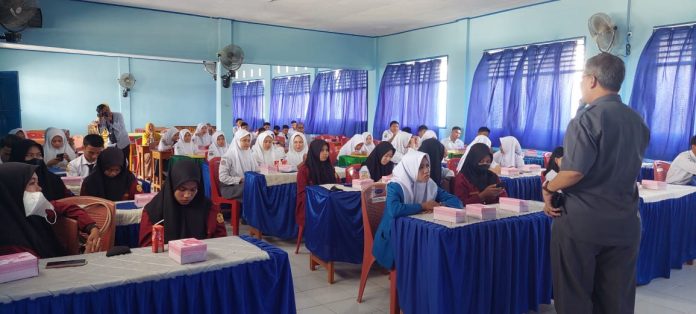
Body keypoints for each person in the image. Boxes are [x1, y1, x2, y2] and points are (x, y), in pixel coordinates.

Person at [542, 53, 650, 314]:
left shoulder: (586, 120)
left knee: (574, 295)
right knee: (617, 298)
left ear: (591, 80)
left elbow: (574, 172)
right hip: (625, 222)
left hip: (583, 224)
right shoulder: (637, 121)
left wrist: (548, 188)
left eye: (581, 79)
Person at [372, 151, 462, 268]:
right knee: (426, 253)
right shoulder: (396, 185)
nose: (426, 170)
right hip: (394, 235)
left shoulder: (429, 184)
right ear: (411, 168)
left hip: (416, 232)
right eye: (421, 167)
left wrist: (439, 205)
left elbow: (457, 202)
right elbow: (394, 210)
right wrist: (423, 206)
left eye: (427, 165)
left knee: (441, 250)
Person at [0, 162, 101, 258]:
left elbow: (67, 207)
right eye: (32, 183)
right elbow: (39, 272)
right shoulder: (10, 244)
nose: (39, 188)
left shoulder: (32, 210)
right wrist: (87, 257)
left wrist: (92, 227)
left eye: (37, 182)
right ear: (13, 189)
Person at [138, 159, 226, 246]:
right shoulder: (154, 212)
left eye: (193, 190)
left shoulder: (209, 209)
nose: (187, 195)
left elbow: (221, 240)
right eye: (182, 189)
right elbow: (147, 248)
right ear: (172, 186)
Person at [295, 139, 338, 253]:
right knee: (328, 212)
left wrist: (336, 178)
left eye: (327, 150)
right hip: (309, 204)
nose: (325, 153)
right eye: (322, 150)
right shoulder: (304, 170)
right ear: (314, 151)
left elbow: (335, 186)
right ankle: (323, 246)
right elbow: (301, 193)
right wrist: (318, 199)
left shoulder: (329, 167)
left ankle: (336, 244)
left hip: (327, 201)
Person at [219, 130, 257, 200]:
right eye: (244, 140)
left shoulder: (250, 154)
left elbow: (256, 170)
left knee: (259, 185)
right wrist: (240, 180)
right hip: (230, 187)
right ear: (237, 141)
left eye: (249, 141)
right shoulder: (228, 156)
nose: (247, 143)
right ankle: (250, 210)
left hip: (246, 184)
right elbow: (222, 177)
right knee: (253, 188)